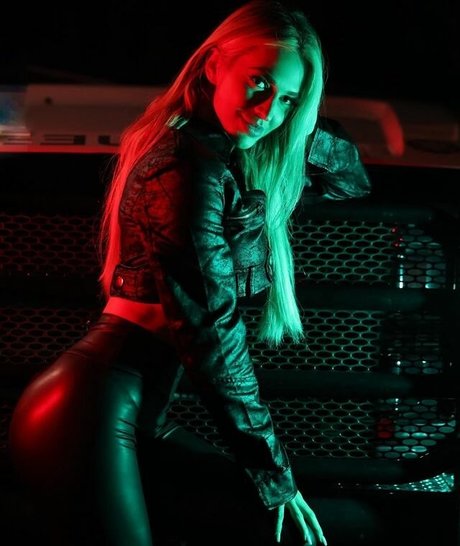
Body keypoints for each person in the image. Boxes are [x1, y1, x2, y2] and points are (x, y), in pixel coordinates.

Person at [8, 1, 371, 545]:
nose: (267, 110)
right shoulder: (182, 167)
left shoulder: (225, 158)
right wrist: (274, 474)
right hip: (89, 409)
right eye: (259, 83)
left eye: (287, 98)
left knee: (279, 529)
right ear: (214, 66)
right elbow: (210, 331)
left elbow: (351, 181)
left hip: (140, 413)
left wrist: (298, 122)